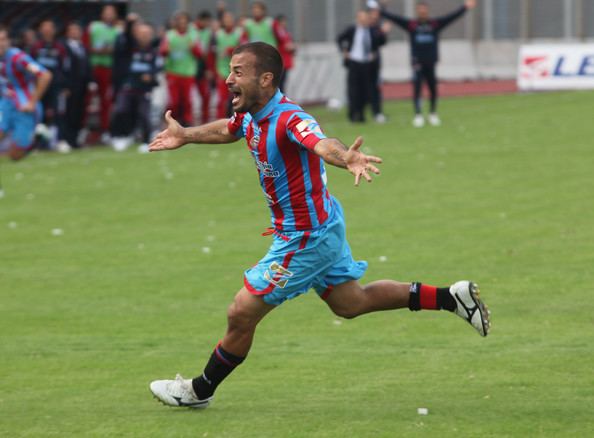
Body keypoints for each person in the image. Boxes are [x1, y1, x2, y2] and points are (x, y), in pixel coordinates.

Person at [147, 42, 491, 409]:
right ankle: (451, 297)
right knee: (351, 303)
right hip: (320, 225)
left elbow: (320, 142)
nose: (228, 78)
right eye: (230, 70)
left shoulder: (289, 118)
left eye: (238, 72)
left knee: (241, 311)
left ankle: (198, 391)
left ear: (265, 79)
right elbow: (230, 131)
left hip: (305, 239)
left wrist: (346, 157)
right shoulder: (250, 114)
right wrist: (185, 135)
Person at [371, 0, 476, 127]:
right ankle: (418, 115)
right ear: (417, 11)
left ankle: (432, 113)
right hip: (417, 62)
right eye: (420, 9)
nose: (422, 11)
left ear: (427, 10)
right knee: (417, 88)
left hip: (431, 62)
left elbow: (451, 17)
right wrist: (381, 10)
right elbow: (395, 18)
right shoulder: (412, 24)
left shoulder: (434, 24)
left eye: (424, 9)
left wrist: (465, 7)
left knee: (432, 88)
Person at [0, 25, 52, 161]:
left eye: (3, 39)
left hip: (24, 107)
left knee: (15, 156)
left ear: (8, 41)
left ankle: (38, 138)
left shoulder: (18, 58)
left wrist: (32, 102)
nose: (1, 43)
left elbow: (45, 75)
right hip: (5, 103)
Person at [111, 22, 160, 152]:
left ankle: (145, 141)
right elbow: (126, 37)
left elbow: (157, 68)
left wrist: (151, 75)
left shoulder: (153, 52)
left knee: (144, 114)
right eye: (142, 34)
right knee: (121, 110)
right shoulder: (129, 49)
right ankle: (123, 136)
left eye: (147, 34)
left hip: (144, 89)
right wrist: (130, 22)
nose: (144, 36)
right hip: (128, 86)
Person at [337, 10, 385, 123]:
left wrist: (382, 32)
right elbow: (339, 38)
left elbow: (381, 42)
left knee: (366, 91)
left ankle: (362, 114)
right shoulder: (352, 29)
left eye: (365, 17)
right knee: (353, 90)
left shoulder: (372, 30)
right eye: (361, 17)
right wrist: (344, 52)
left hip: (367, 64)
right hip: (354, 62)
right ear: (358, 18)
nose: (363, 20)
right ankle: (353, 114)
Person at [31, 19, 69, 151]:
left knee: (59, 113)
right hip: (39, 86)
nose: (47, 30)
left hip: (56, 86)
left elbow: (65, 68)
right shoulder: (35, 47)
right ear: (41, 30)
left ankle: (60, 140)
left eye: (49, 27)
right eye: (44, 27)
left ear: (54, 30)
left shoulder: (60, 47)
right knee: (38, 114)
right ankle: (38, 144)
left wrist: (65, 86)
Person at [160, 11, 201, 127]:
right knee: (174, 101)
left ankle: (187, 124)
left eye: (184, 21)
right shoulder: (170, 35)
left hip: (188, 72)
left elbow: (199, 54)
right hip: (173, 72)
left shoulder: (192, 36)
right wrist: (166, 50)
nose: (182, 23)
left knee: (187, 101)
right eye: (180, 21)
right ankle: (172, 123)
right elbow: (162, 52)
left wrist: (193, 48)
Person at [86, 4, 121, 139]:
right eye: (107, 12)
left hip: (109, 69)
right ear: (102, 14)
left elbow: (119, 50)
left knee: (107, 100)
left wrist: (110, 51)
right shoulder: (93, 27)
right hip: (93, 69)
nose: (109, 15)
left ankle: (105, 130)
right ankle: (85, 130)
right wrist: (97, 51)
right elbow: (86, 46)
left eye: (112, 12)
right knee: (89, 99)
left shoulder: (118, 30)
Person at [63, 22, 91, 149]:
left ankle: (75, 140)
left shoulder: (83, 47)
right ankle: (67, 139)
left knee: (79, 113)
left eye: (77, 30)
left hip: (82, 86)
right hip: (70, 86)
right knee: (69, 113)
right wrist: (65, 86)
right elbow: (63, 68)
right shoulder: (63, 48)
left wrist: (91, 81)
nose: (75, 32)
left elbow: (87, 66)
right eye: (72, 30)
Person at [212, 11, 244, 119]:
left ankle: (239, 121)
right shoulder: (218, 34)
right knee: (222, 99)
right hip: (222, 71)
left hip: (238, 72)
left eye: (230, 18)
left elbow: (244, 48)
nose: (228, 21)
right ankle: (221, 122)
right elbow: (212, 52)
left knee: (239, 98)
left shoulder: (239, 33)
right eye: (226, 19)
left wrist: (231, 50)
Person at [368, 7, 391, 123]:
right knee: (363, 88)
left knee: (375, 87)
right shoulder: (366, 27)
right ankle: (359, 114)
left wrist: (384, 33)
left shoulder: (376, 27)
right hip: (362, 63)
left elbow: (382, 42)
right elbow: (370, 41)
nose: (375, 16)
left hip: (374, 63)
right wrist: (382, 31)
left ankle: (377, 112)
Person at [195, 10, 215, 124]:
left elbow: (210, 54)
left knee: (205, 96)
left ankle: (205, 121)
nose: (207, 24)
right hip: (191, 69)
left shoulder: (209, 33)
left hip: (203, 69)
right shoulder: (191, 31)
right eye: (206, 21)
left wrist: (209, 69)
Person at [274, 14, 295, 93]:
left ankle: (281, 97)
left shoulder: (284, 32)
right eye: (282, 21)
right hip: (281, 59)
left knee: (283, 81)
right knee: (280, 82)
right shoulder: (278, 31)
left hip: (286, 60)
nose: (284, 23)